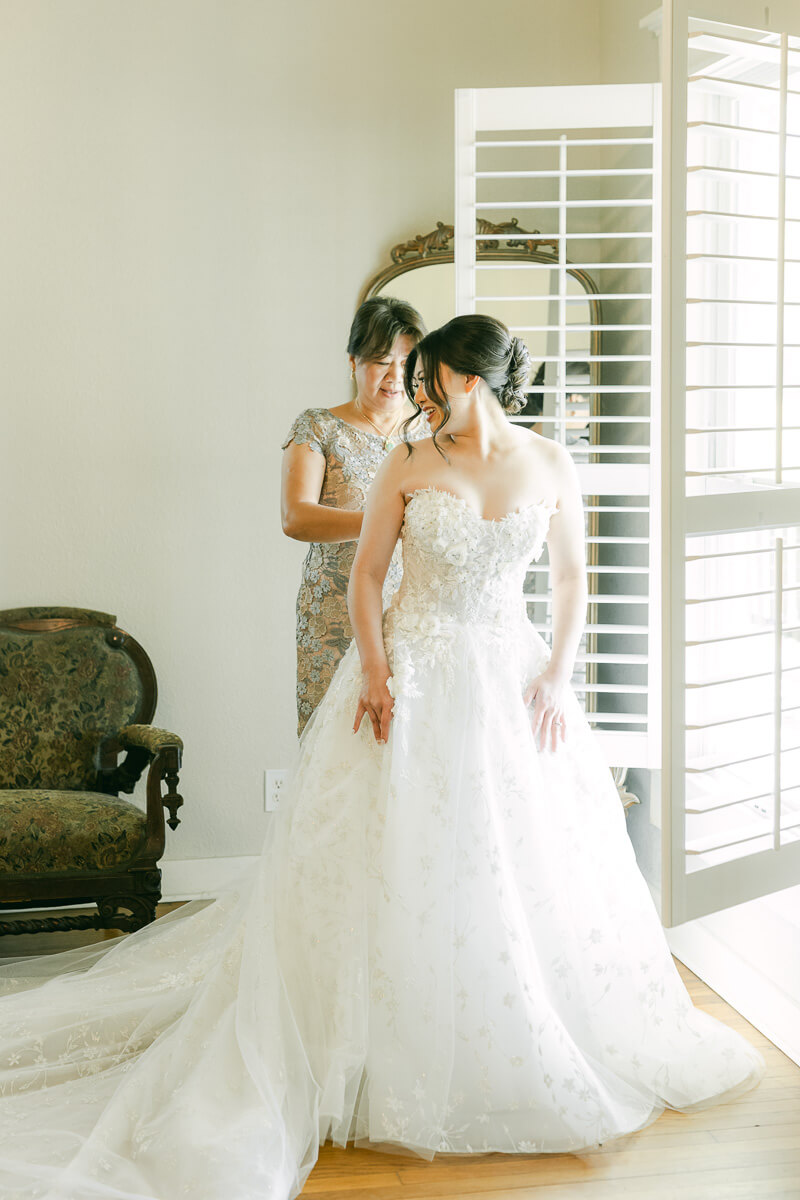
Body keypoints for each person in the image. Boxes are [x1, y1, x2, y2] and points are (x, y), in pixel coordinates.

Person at [0, 316, 764, 1200]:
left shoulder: (550, 462)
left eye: (433, 377)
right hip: (410, 673)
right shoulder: (411, 460)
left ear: (473, 379)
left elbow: (568, 579)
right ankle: (359, 1039)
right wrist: (373, 666)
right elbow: (367, 574)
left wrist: (558, 674)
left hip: (509, 680)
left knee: (515, 862)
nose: (419, 392)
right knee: (386, 852)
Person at [281, 295, 428, 735]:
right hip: (333, 612)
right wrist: (382, 521)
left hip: (412, 609)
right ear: (353, 361)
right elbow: (296, 517)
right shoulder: (319, 426)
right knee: (333, 740)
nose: (394, 376)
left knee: (405, 740)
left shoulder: (432, 433)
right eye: (381, 361)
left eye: (406, 362)